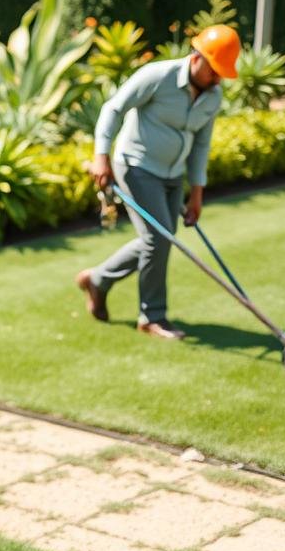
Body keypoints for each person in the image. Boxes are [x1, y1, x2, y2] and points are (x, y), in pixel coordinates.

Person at [76, 24, 241, 340]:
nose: (217, 79)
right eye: (214, 71)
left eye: (221, 74)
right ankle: (151, 317)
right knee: (158, 239)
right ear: (197, 57)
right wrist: (101, 156)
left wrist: (197, 193)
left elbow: (201, 144)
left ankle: (98, 280)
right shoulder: (158, 76)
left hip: (172, 175)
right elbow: (114, 108)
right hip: (136, 166)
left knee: (159, 239)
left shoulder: (213, 96)